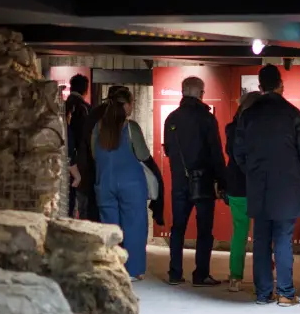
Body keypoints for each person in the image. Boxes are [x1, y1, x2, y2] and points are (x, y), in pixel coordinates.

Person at [233, 65, 300, 307]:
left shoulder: (248, 115)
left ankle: (263, 293)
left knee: (260, 240)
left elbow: (238, 152)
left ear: (260, 87)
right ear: (281, 85)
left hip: (259, 186)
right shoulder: (293, 114)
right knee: (283, 239)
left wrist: (253, 173)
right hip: (288, 187)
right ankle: (286, 293)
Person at [163, 77, 227, 287]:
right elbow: (216, 153)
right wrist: (222, 180)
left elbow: (168, 150)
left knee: (178, 228)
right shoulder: (207, 119)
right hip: (204, 181)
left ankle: (175, 272)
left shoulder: (171, 119)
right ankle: (200, 274)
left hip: (180, 181)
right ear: (200, 93)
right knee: (204, 230)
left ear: (183, 92)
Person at [91, 86, 154, 281]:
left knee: (110, 228)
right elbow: (143, 154)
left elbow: (94, 155)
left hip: (104, 182)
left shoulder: (98, 126)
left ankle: (111, 267)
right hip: (131, 184)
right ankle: (132, 271)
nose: (132, 106)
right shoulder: (130, 127)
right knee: (134, 226)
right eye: (131, 103)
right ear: (125, 105)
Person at [223, 91, 259, 292]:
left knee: (239, 232)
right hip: (257, 185)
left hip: (236, 185)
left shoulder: (231, 129)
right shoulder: (259, 130)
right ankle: (262, 276)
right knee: (263, 233)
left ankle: (235, 277)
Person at [64, 74, 97, 221]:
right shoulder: (85, 109)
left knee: (65, 205)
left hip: (61, 161)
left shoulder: (62, 106)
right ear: (86, 89)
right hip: (82, 163)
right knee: (83, 207)